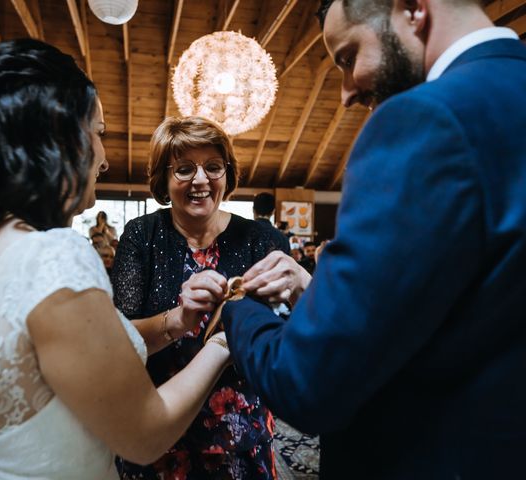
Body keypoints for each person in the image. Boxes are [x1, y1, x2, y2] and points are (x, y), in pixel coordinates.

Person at [220, 0, 526, 477]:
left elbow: (306, 382)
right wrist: (320, 295)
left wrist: (239, 310)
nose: (344, 93)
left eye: (347, 56)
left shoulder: (423, 119)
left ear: (411, 9)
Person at [0, 38, 230, 479]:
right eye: (99, 133)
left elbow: (79, 357)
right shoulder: (52, 258)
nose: (103, 160)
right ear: (60, 137)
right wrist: (223, 342)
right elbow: (145, 434)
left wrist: (178, 320)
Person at [112, 116, 282, 479]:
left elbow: (285, 345)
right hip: (158, 431)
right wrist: (179, 320)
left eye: (213, 167)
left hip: (240, 433)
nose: (201, 180)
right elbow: (117, 343)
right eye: (185, 169)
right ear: (164, 179)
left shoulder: (261, 240)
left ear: (227, 174)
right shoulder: (141, 236)